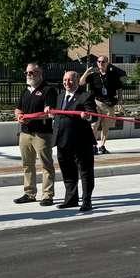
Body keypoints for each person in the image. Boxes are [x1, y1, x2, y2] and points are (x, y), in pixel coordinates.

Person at [50, 70, 97, 212]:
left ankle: (86, 201)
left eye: (70, 80)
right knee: (68, 171)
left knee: (85, 172)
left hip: (81, 142)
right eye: (65, 80)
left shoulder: (85, 96)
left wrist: (87, 116)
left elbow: (93, 116)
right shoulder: (60, 97)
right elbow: (59, 117)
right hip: (62, 141)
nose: (67, 83)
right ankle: (71, 199)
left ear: (77, 81)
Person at [13, 63, 58, 206]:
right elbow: (18, 109)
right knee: (27, 164)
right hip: (25, 133)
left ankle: (47, 195)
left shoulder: (48, 90)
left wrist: (30, 117)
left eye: (31, 72)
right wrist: (19, 115)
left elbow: (48, 113)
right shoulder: (25, 90)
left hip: (42, 134)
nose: (28, 75)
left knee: (46, 165)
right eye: (27, 73)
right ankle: (29, 193)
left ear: (40, 73)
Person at [80, 55, 125, 154]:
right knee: (94, 124)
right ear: (97, 63)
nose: (101, 63)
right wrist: (87, 72)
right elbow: (81, 82)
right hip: (96, 102)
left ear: (107, 63)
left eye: (103, 61)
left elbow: (120, 89)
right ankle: (93, 145)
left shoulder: (113, 75)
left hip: (109, 104)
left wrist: (120, 102)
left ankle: (102, 146)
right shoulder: (93, 75)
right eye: (99, 61)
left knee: (106, 126)